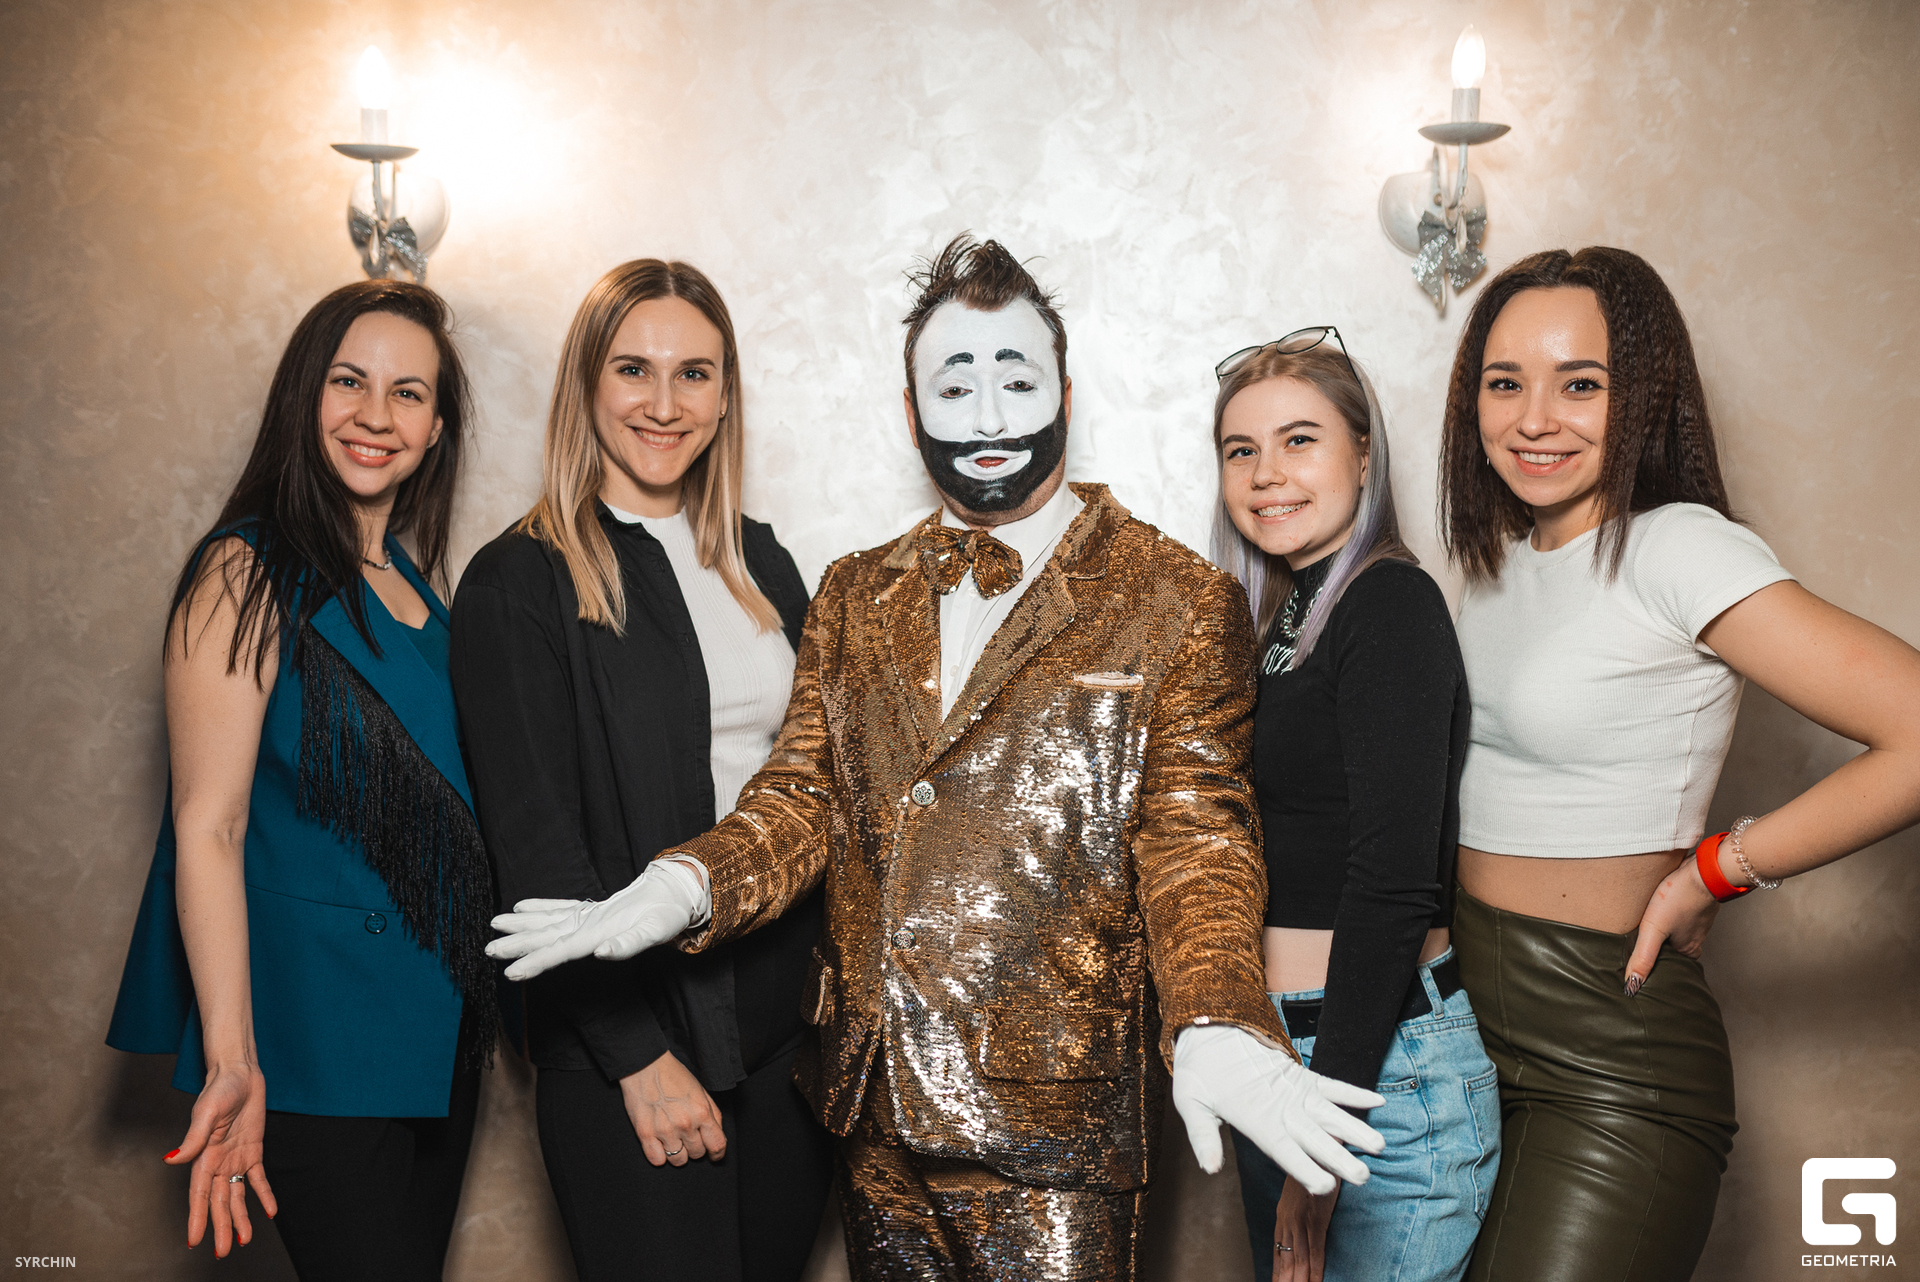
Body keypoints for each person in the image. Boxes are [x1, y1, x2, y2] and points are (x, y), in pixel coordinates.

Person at [485, 235, 1387, 1282]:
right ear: (912, 413)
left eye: (1018, 381)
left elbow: (1199, 844)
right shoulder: (852, 590)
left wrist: (1220, 1017)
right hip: (871, 1112)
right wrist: (685, 884)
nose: (991, 417)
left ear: (1064, 395)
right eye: (955, 387)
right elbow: (801, 797)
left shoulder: (1179, 596)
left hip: (1057, 1129)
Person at [1441, 246, 1920, 1282]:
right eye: (1504, 383)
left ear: (1644, 397)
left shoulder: (1678, 548)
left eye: (1580, 384)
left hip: (1610, 1065)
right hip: (1467, 1047)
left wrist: (1720, 867)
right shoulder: (1493, 566)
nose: (1534, 419)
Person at [448, 259, 832, 1282]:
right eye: (633, 369)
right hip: (634, 1049)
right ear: (586, 383)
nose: (665, 404)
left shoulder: (763, 562)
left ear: (725, 395)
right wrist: (636, 1058)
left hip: (788, 1046)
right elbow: (534, 850)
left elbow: (818, 787)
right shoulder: (519, 582)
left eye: (694, 374)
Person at [107, 280, 495, 1279]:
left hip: (437, 1041)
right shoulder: (241, 572)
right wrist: (234, 1059)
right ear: (303, 394)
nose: (377, 415)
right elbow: (210, 826)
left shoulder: (420, 589)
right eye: (349, 382)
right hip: (314, 1041)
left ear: (437, 430)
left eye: (408, 393)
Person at [1213, 329, 1498, 1282]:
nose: (1266, 474)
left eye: (1299, 440)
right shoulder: (1282, 618)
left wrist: (1323, 1134)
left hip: (1378, 1074)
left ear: (1364, 457)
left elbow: (1393, 882)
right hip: (1285, 1057)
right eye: (1241, 450)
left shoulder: (1389, 606)